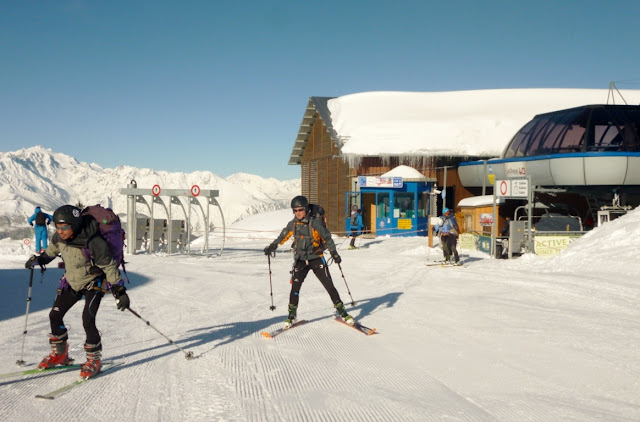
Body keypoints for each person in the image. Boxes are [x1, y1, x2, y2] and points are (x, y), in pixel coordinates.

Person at [25, 205, 130, 379]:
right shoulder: (59, 237)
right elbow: (50, 253)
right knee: (54, 316)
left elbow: (109, 266)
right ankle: (60, 354)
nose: (60, 231)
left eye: (64, 227)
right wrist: (39, 259)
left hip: (92, 282)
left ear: (74, 224)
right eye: (58, 227)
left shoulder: (93, 241)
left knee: (88, 320)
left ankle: (94, 360)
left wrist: (120, 291)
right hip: (72, 282)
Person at [264, 195, 354, 329]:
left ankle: (342, 312)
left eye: (300, 209)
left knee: (329, 286)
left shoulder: (315, 223)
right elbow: (282, 236)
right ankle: (291, 316)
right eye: (295, 210)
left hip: (316, 258)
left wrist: (334, 253)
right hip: (300, 260)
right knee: (295, 288)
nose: (298, 213)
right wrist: (272, 246)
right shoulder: (293, 224)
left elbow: (327, 238)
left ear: (306, 209)